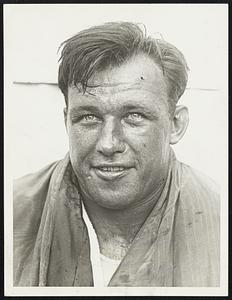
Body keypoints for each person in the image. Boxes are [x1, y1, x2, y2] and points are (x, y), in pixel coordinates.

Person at [13, 22, 220, 287]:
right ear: (67, 121)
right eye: (89, 117)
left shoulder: (219, 222)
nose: (108, 144)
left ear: (175, 125)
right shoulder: (14, 212)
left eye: (134, 116)